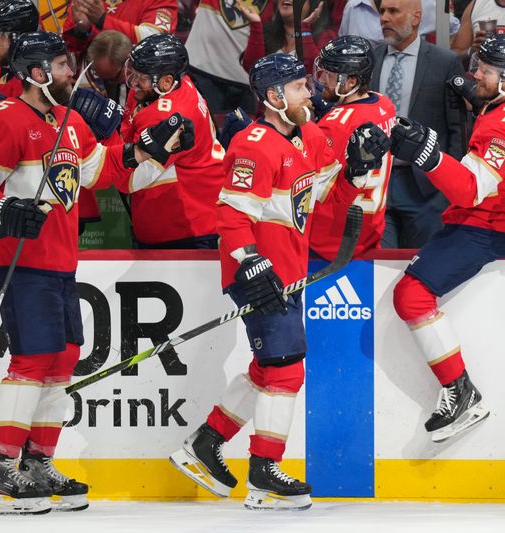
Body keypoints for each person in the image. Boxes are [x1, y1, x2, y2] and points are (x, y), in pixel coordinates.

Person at [0, 31, 194, 515]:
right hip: (21, 260)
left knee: (63, 359)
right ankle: (0, 473)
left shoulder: (68, 121)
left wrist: (154, 149)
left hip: (60, 260)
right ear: (37, 73)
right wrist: (5, 210)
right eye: (63, 66)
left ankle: (38, 464)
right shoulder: (3, 118)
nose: (72, 74)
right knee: (34, 359)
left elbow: (105, 171)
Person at [169, 53, 389, 510]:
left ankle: (206, 444)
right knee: (287, 367)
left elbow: (329, 193)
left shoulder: (309, 134)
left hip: (288, 270)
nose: (311, 91)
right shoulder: (253, 145)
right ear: (273, 97)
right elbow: (231, 217)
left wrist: (355, 168)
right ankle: (264, 471)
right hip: (258, 273)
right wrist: (251, 264)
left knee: (269, 367)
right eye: (299, 87)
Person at [389, 34, 505, 442]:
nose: (473, 74)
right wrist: (480, 92)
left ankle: (460, 392)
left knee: (410, 296)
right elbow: (499, 111)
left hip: (495, 221)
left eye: (483, 71)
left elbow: (468, 189)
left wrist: (427, 153)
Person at [371, 0, 465, 248]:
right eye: (382, 11)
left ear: (415, 18)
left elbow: (457, 130)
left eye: (393, 11)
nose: (384, 18)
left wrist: (448, 186)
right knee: (378, 267)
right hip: (375, 183)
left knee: (421, 266)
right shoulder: (370, 59)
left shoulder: (444, 62)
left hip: (426, 189)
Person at [118, 33, 225, 248]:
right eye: (134, 73)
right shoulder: (171, 83)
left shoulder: (168, 116)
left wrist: (109, 133)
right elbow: (128, 131)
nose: (134, 82)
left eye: (142, 77)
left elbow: (127, 178)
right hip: (188, 209)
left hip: (187, 225)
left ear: (166, 82)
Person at [309, 35, 396, 260]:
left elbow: (314, 185)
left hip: (329, 238)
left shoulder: (334, 125)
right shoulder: (384, 104)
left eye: (330, 74)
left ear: (351, 82)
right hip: (369, 230)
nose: (322, 78)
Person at [238, 0, 336, 75]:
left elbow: (317, 73)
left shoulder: (326, 37)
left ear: (312, 4)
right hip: (269, 101)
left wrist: (304, 28)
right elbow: (253, 70)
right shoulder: (266, 32)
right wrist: (255, 24)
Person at [63, 0, 178, 58]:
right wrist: (81, 30)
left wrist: (102, 20)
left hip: (135, 85)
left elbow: (154, 41)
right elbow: (69, 55)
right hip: (89, 88)